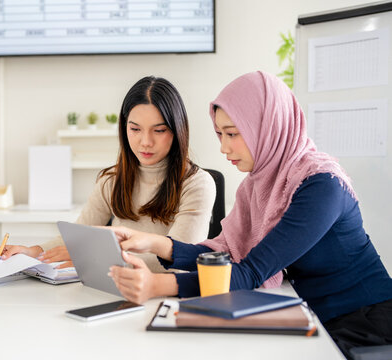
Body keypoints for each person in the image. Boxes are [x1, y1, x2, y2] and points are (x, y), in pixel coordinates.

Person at [108, 71, 392, 359]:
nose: (224, 147)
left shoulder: (321, 185)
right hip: (311, 314)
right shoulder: (259, 185)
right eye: (220, 134)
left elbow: (252, 271)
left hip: (364, 323)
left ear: (267, 127)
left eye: (233, 134)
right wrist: (154, 243)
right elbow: (227, 257)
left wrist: (158, 285)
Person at [0, 76, 215, 272]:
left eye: (159, 130)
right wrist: (33, 251)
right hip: (115, 288)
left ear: (177, 130)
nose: (145, 142)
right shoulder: (112, 180)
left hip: (166, 295)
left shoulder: (197, 184)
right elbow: (77, 238)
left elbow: (179, 259)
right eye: (135, 129)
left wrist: (91, 258)